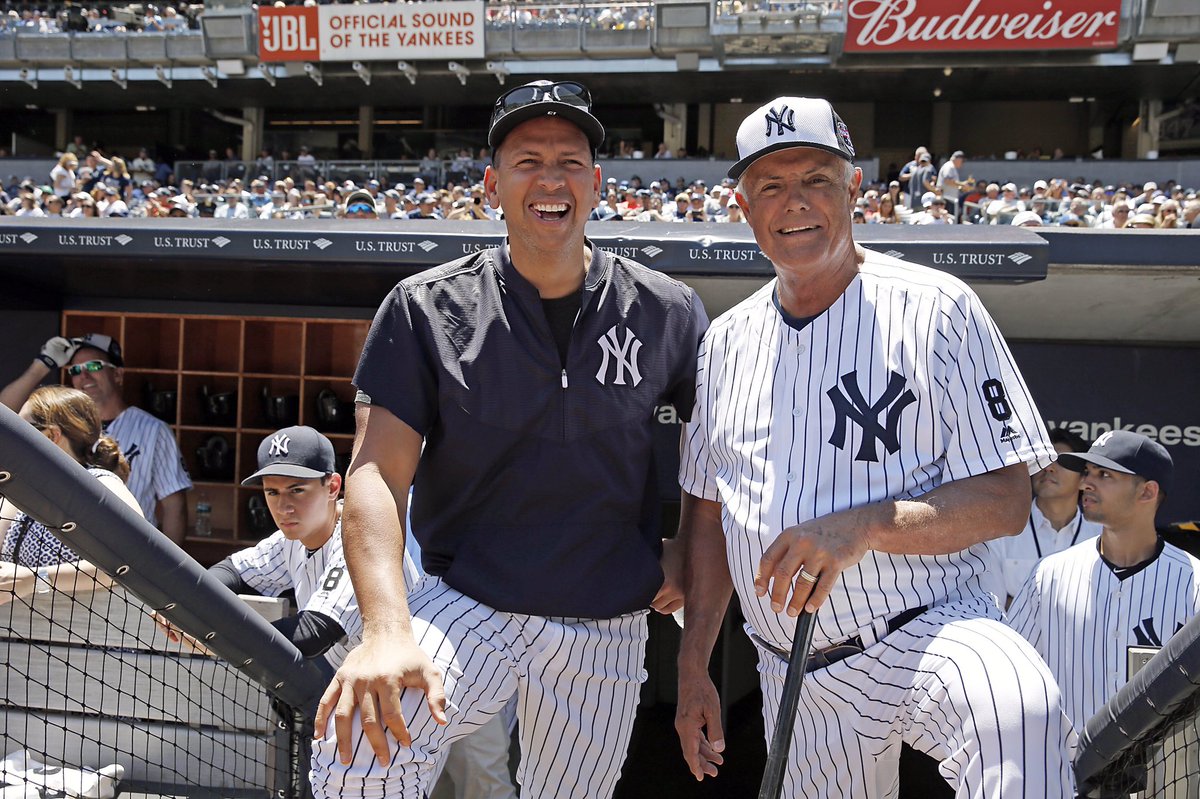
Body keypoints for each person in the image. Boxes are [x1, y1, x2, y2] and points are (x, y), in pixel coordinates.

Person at [309, 79, 706, 799]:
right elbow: (375, 475)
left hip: (605, 616)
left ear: (597, 183)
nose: (550, 179)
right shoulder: (426, 305)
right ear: (492, 184)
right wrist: (386, 628)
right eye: (527, 160)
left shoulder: (667, 309)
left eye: (569, 161)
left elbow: (716, 463)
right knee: (358, 748)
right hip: (469, 601)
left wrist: (687, 546)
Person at [673, 96, 1074, 796]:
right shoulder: (724, 343)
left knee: (1019, 706)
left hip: (926, 629)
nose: (794, 201)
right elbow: (707, 515)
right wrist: (693, 662)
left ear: (855, 188)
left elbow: (1007, 499)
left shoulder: (936, 307)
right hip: (792, 672)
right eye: (771, 185)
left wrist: (867, 525)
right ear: (744, 206)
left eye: (816, 179)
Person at [1009, 431, 1200, 735]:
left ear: (1147, 492)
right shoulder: (1048, 575)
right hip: (1065, 771)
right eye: (1086, 472)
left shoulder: (1195, 584)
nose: (1086, 482)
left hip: (1165, 773)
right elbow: (1010, 675)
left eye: (1104, 474)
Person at [0, 334, 191, 543]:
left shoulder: (153, 429)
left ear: (117, 374)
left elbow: (174, 506)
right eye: (75, 370)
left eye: (93, 367)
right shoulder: (62, 422)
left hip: (132, 551)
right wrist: (43, 365)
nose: (84, 376)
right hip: (67, 546)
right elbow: (6, 418)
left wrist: (166, 572)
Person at [1, 386, 142, 599]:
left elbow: (135, 559)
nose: (11, 441)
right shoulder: (21, 490)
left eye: (20, 430)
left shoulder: (101, 484)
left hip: (78, 629)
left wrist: (35, 579)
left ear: (51, 436)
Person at [989, 429, 1102, 607]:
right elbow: (992, 605)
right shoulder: (1000, 531)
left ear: (1083, 479)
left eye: (1062, 461)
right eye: (1041, 459)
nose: (1049, 467)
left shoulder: (1101, 537)